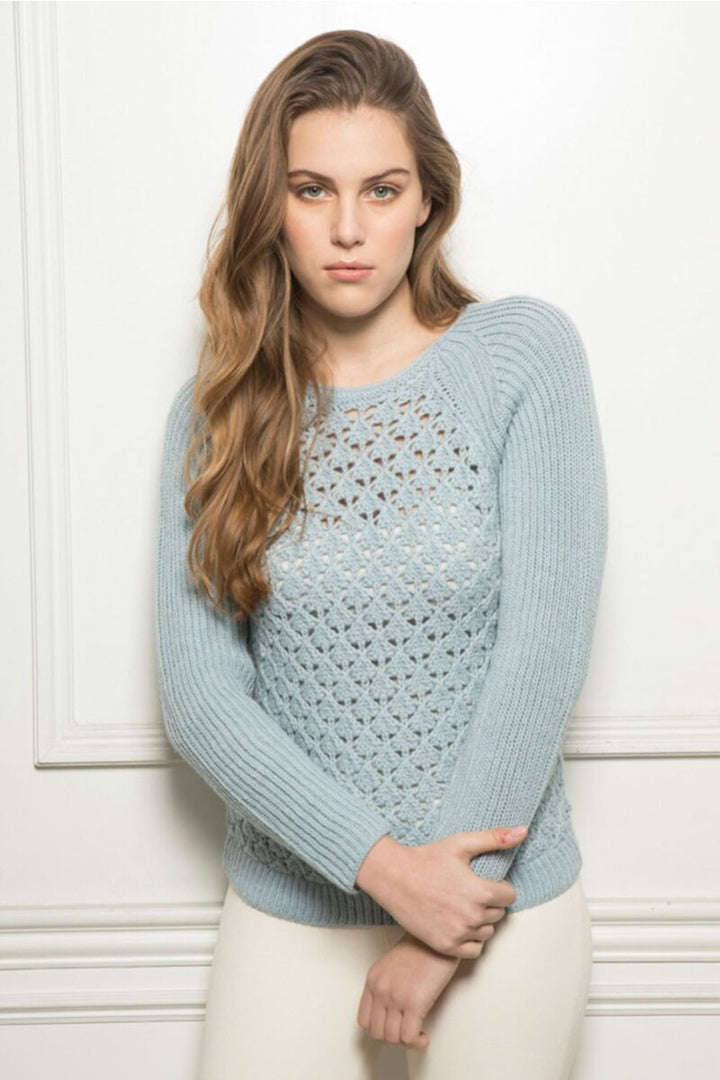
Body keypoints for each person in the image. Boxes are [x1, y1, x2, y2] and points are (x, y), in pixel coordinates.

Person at [153, 28, 607, 1080]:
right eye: (312, 190)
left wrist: (444, 920)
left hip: (499, 912)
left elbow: (541, 650)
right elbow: (203, 701)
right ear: (270, 205)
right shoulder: (217, 415)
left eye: (382, 189)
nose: (349, 228)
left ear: (428, 201)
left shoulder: (522, 358)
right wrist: (389, 873)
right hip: (290, 909)